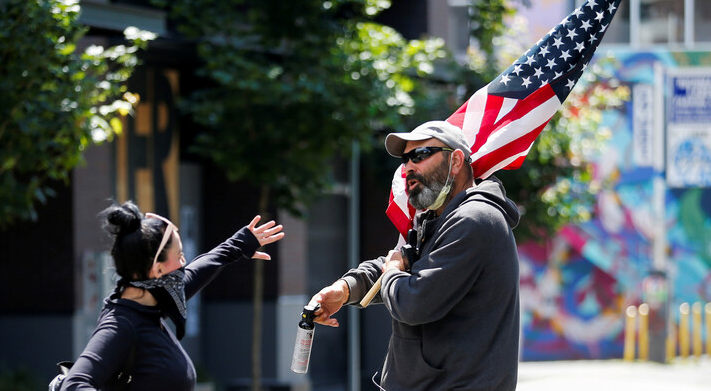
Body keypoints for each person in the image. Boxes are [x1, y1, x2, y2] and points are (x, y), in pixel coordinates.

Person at [311, 120, 521, 390]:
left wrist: (392, 273)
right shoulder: (438, 219)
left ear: (456, 161)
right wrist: (346, 288)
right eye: (405, 159)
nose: (408, 167)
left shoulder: (474, 220)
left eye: (420, 155)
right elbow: (399, 263)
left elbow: (413, 302)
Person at [59, 201, 284, 391]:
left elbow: (197, 272)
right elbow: (75, 383)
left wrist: (238, 244)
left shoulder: (153, 304)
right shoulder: (120, 324)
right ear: (157, 270)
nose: (184, 264)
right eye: (180, 255)